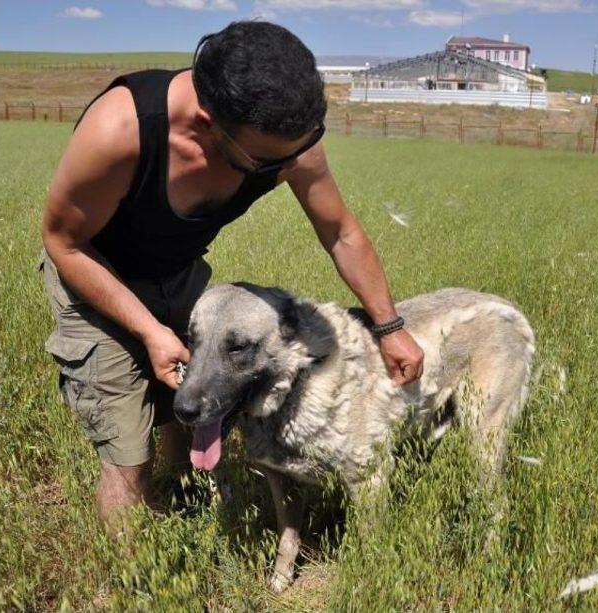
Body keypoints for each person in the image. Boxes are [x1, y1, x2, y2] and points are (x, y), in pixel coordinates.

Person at [40, 21, 424, 527]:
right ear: (206, 121)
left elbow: (341, 234)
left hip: (180, 276)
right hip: (95, 271)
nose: (286, 167)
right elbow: (64, 242)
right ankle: (129, 577)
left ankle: (183, 506)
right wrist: (151, 331)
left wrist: (389, 327)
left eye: (299, 148)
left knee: (190, 408)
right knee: (129, 451)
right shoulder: (122, 132)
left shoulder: (284, 139)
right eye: (264, 160)